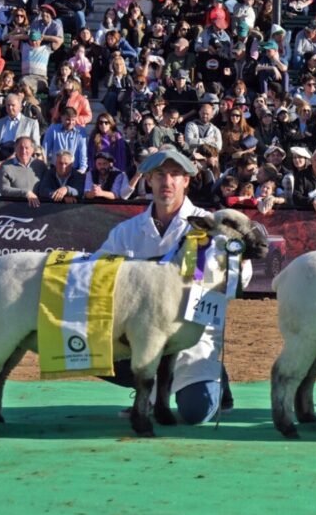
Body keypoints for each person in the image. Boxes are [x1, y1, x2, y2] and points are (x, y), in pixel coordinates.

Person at [96, 148, 235, 424]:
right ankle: (146, 392)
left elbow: (236, 279)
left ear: (187, 181)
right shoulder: (127, 232)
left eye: (175, 175)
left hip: (191, 338)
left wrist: (229, 271)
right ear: (148, 179)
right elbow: (98, 273)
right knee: (86, 345)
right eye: (159, 175)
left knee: (196, 412)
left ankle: (216, 379)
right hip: (141, 336)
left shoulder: (208, 227)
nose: (166, 182)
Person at [0, 136, 46, 207]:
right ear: (15, 149)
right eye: (20, 148)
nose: (23, 151)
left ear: (32, 149)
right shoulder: (6, 166)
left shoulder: (40, 165)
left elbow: (46, 186)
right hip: (14, 209)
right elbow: (4, 190)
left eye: (27, 148)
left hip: (39, 209)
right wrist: (25, 193)